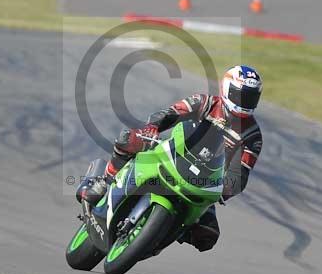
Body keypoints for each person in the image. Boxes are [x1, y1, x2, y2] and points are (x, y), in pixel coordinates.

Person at [77, 65, 263, 252]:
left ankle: (168, 230)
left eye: (250, 97)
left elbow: (242, 171)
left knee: (207, 235)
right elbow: (171, 113)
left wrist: (227, 189)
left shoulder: (252, 136)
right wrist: (154, 127)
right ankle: (106, 181)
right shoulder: (205, 102)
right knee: (129, 139)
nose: (245, 101)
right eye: (241, 95)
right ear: (226, 89)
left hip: (206, 182)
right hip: (173, 153)